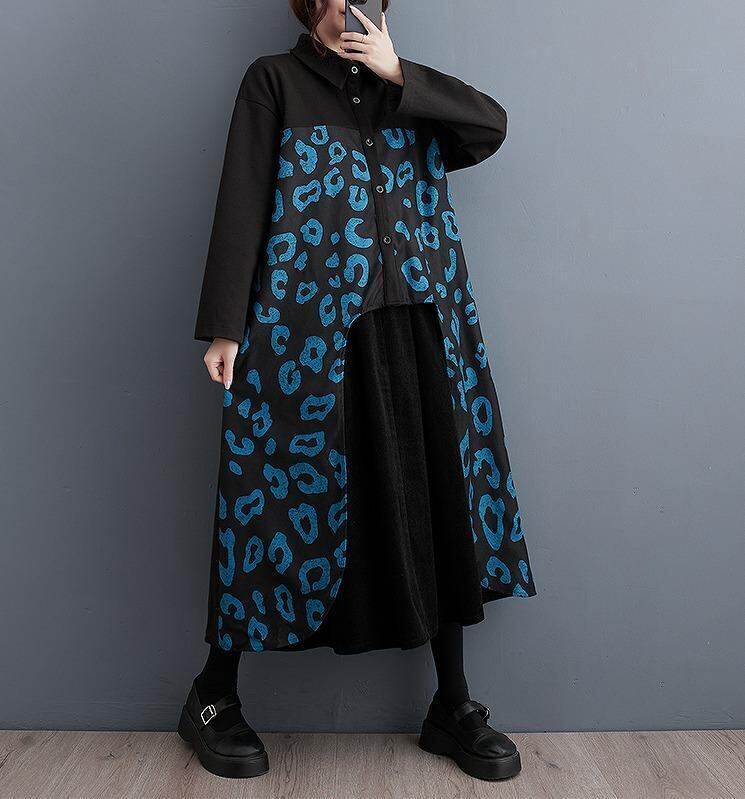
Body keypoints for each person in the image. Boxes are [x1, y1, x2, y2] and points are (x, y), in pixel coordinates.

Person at [177, 0, 537, 782]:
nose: (350, 8)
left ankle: (452, 704)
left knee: (435, 496)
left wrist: (397, 72)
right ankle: (212, 692)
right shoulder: (273, 81)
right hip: (306, 330)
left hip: (419, 322)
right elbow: (242, 196)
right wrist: (225, 326)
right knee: (271, 494)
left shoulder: (407, 89)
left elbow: (488, 128)